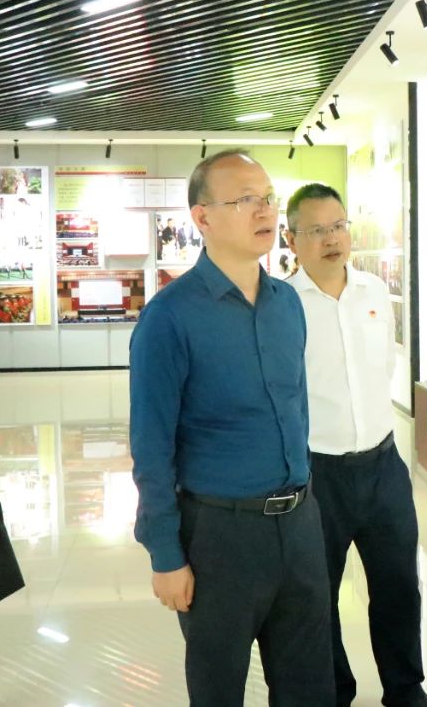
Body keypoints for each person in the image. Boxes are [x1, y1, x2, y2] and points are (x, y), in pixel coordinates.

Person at [130, 150, 332, 706]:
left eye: (268, 198)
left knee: (310, 688)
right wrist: (165, 554)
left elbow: (297, 410)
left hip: (299, 526)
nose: (264, 210)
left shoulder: (287, 304)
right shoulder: (170, 317)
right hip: (220, 536)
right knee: (219, 690)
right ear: (203, 218)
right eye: (246, 200)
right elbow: (151, 446)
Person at [285, 183, 427, 707]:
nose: (332, 239)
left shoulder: (375, 292)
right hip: (317, 472)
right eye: (317, 230)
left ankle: (405, 688)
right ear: (292, 239)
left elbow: (384, 368)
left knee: (399, 585)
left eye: (338, 226)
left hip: (383, 464)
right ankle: (334, 690)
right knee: (318, 592)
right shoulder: (283, 305)